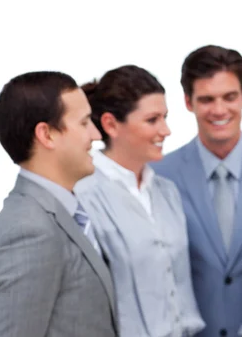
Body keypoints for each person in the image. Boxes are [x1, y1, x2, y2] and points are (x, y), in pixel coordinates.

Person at [152, 45, 242, 337]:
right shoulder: (158, 175)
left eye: (229, 97)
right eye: (207, 99)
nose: (220, 110)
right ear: (188, 102)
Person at [74, 65, 205, 337]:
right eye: (152, 120)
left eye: (165, 117)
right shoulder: (83, 196)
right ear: (111, 124)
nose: (166, 130)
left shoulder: (166, 192)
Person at [0, 71, 118, 337]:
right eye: (84, 123)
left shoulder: (63, 212)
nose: (95, 134)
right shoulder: (29, 230)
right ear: (46, 135)